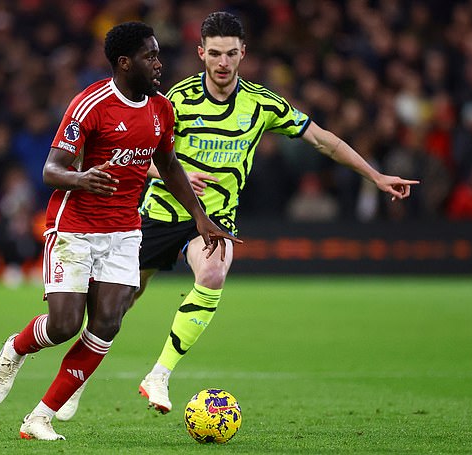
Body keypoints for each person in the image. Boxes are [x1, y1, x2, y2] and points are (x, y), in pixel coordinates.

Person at [60, 11, 419, 417]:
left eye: (231, 53)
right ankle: (76, 381)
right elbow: (135, 154)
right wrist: (170, 172)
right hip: (159, 212)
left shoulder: (262, 103)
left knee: (213, 273)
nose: (223, 62)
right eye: (215, 53)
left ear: (243, 53)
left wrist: (374, 175)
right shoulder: (174, 100)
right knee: (117, 307)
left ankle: (159, 374)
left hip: (214, 220)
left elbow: (322, 140)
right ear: (201, 54)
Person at [0, 21, 238, 441]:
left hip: (124, 231)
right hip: (75, 228)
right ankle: (15, 349)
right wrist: (82, 179)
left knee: (107, 324)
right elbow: (51, 170)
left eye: (158, 55)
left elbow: (170, 166)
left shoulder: (160, 109)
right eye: (150, 56)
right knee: (65, 324)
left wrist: (200, 217)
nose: (159, 64)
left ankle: (39, 417)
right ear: (125, 62)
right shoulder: (91, 104)